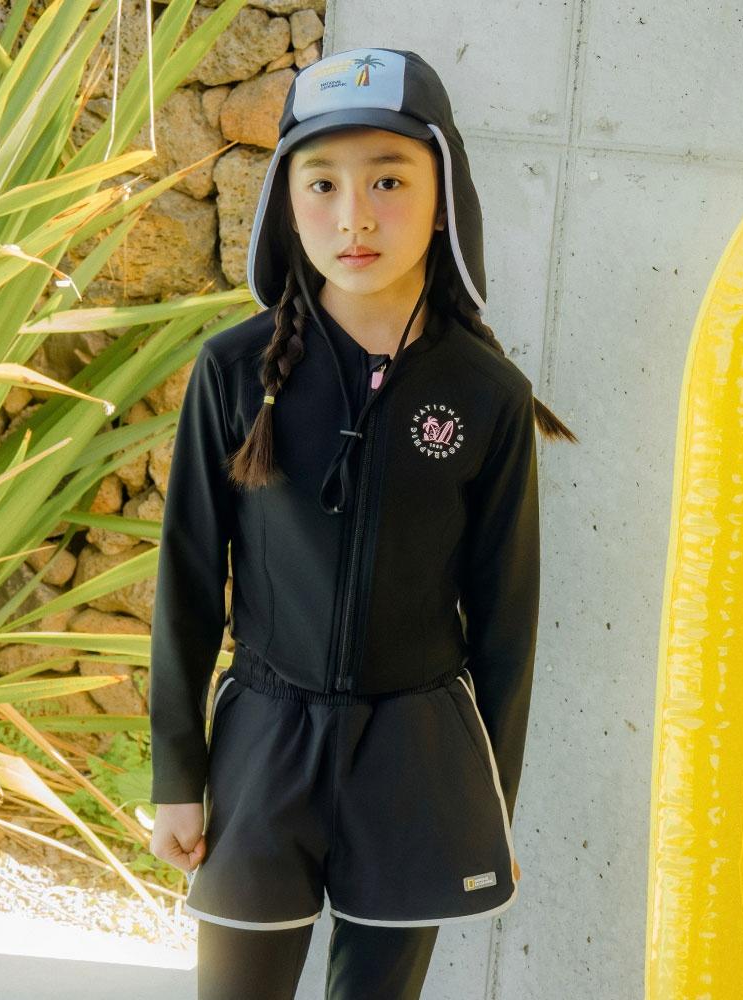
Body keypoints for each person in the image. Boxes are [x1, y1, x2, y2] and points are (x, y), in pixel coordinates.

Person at [147, 46, 578, 1000]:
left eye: (389, 179)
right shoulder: (234, 373)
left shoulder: (488, 395)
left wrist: (490, 803)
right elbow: (186, 584)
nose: (355, 216)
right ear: (286, 202)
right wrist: (177, 774)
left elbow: (506, 624)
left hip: (416, 763)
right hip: (264, 751)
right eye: (322, 183)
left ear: (444, 195)